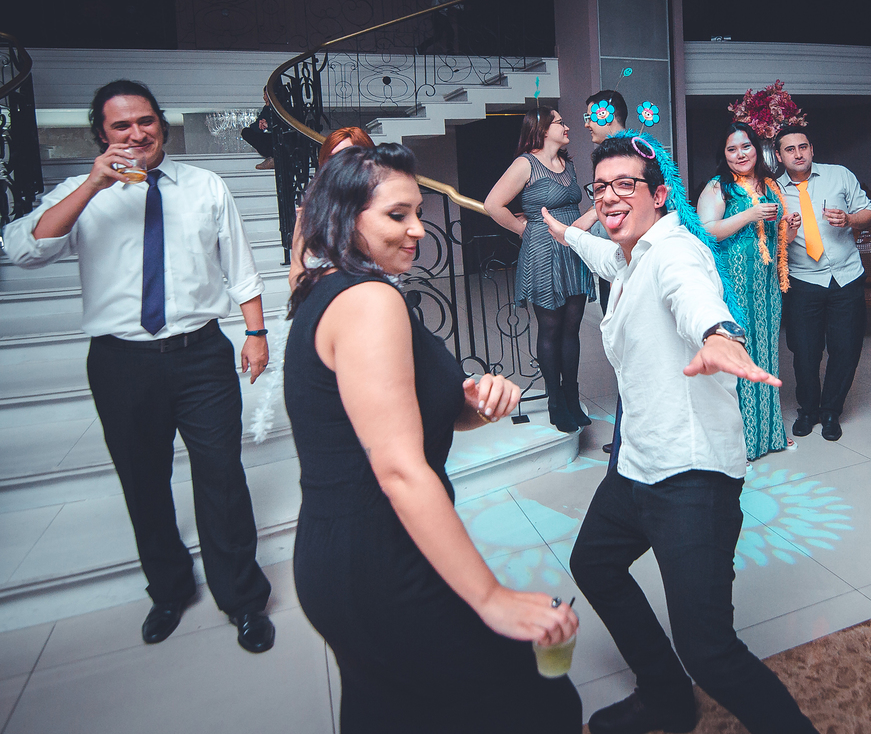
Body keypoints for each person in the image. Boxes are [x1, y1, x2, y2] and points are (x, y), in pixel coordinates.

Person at [285, 143, 581, 732]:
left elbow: (395, 419)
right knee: (542, 706)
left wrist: (467, 404)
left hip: (341, 556)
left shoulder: (334, 286)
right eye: (397, 215)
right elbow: (398, 468)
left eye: (418, 212)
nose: (419, 229)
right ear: (344, 218)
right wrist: (491, 597)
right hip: (378, 558)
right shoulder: (369, 301)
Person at [543, 131, 819, 734]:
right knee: (594, 564)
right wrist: (565, 234)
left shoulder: (674, 252)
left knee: (709, 651)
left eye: (625, 185)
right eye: (600, 187)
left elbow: (692, 295)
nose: (609, 197)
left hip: (692, 477)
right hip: (637, 465)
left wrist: (718, 333)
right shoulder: (629, 253)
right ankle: (666, 696)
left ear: (660, 194)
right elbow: (604, 255)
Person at [3, 80, 275, 652]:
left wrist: (255, 333)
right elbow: (23, 250)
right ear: (101, 134)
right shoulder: (80, 191)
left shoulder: (205, 185)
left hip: (201, 354)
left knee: (222, 477)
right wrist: (93, 186)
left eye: (145, 121)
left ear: (161, 125)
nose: (136, 133)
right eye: (121, 125)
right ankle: (169, 590)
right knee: (143, 480)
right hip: (121, 361)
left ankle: (243, 598)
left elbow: (239, 264)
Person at [483, 108, 595, 433]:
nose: (567, 126)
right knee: (550, 328)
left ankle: (572, 397)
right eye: (560, 122)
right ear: (543, 129)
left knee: (572, 328)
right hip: (543, 252)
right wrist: (524, 230)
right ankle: (555, 401)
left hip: (572, 249)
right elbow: (493, 204)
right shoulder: (525, 164)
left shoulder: (569, 164)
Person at [696, 122, 798, 460]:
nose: (740, 154)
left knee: (766, 357)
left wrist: (790, 229)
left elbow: (777, 241)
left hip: (767, 288)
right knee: (738, 359)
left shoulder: (770, 186)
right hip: (734, 288)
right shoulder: (718, 187)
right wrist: (750, 214)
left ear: (757, 149)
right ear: (723, 155)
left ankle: (769, 433)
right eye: (732, 149)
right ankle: (738, 445)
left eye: (746, 147)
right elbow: (706, 231)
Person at [775, 125, 871, 442]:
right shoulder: (772, 191)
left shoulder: (839, 175)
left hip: (846, 276)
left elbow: (869, 212)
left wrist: (850, 219)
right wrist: (786, 234)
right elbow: (770, 243)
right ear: (779, 156)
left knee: (846, 349)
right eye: (790, 149)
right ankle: (808, 410)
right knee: (804, 351)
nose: (798, 154)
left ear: (811, 149)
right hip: (804, 280)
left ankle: (831, 411)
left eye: (803, 146)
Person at [288, 126, 376, 290]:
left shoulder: (381, 209)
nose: (340, 164)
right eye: (332, 158)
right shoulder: (310, 214)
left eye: (349, 156)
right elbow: (296, 273)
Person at [578, 89, 628, 314]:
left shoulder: (630, 153)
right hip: (612, 256)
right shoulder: (610, 152)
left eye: (589, 117)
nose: (586, 124)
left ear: (605, 115)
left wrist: (589, 217)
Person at [240, 88, 276, 170]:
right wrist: (260, 126)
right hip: (270, 140)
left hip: (281, 140)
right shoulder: (266, 109)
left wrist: (269, 125)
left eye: (266, 94)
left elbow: (284, 127)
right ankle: (271, 158)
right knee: (246, 132)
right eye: (264, 95)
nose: (264, 97)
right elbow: (254, 127)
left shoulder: (283, 109)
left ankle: (274, 159)